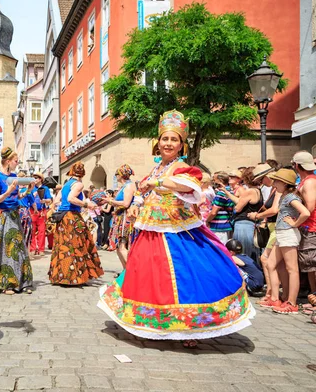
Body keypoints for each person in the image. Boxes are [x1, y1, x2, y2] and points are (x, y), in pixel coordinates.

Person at [98, 110, 254, 347]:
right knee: (149, 274)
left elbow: (188, 186)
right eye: (165, 139)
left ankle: (189, 329)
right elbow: (142, 191)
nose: (168, 143)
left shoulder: (181, 167)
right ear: (157, 142)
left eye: (174, 140)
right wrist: (136, 204)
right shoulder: (158, 167)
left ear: (182, 145)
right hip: (151, 229)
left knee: (183, 276)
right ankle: (150, 319)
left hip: (177, 230)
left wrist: (158, 183)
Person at [0, 147, 33, 295]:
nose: (17, 163)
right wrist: (9, 190)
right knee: (5, 249)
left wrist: (28, 190)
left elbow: (19, 198)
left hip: (15, 215)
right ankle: (5, 284)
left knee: (18, 248)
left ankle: (21, 282)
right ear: (8, 161)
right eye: (16, 161)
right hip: (3, 217)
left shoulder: (14, 176)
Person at [48, 162, 104, 285]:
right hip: (72, 217)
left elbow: (57, 201)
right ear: (82, 173)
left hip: (62, 218)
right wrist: (86, 204)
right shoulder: (78, 184)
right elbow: (70, 199)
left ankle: (60, 276)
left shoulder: (66, 184)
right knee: (77, 244)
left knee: (63, 245)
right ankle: (74, 277)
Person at [266, 168, 310, 314]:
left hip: (288, 233)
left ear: (284, 183)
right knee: (271, 264)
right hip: (282, 233)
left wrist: (295, 224)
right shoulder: (286, 195)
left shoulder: (291, 197)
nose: (274, 183)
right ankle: (278, 298)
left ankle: (292, 302)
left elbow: (305, 212)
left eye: (277, 181)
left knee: (292, 269)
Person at [246, 164, 281, 306]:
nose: (261, 183)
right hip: (273, 226)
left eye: (261, 180)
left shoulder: (278, 188)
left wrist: (258, 215)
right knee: (270, 261)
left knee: (266, 259)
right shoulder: (273, 189)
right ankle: (272, 293)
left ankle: (273, 294)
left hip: (278, 227)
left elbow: (274, 209)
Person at [222, 167, 263, 263]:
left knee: (243, 253)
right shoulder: (257, 190)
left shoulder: (249, 191)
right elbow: (242, 202)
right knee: (252, 253)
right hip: (251, 224)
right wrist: (228, 194)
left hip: (243, 224)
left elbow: (238, 207)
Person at [293, 151, 316, 307]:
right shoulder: (306, 180)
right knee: (309, 265)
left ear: (297, 165)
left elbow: (310, 206)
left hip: (311, 226)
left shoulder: (309, 182)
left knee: (312, 264)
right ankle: (313, 298)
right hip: (307, 226)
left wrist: (296, 221)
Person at [106, 164, 137, 269]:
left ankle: (132, 271)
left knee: (123, 245)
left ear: (121, 175)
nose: (116, 176)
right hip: (120, 216)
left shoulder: (129, 186)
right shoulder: (124, 186)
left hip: (125, 218)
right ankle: (126, 271)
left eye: (116, 174)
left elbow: (126, 203)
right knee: (119, 247)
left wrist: (110, 201)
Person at [206, 172, 235, 244]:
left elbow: (213, 212)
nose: (213, 181)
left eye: (215, 179)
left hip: (219, 227)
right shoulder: (230, 191)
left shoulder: (221, 193)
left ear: (221, 180)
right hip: (225, 225)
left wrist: (207, 221)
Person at [30, 172, 52, 256]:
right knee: (32, 230)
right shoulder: (31, 188)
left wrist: (44, 200)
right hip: (32, 210)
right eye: (33, 178)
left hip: (42, 210)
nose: (34, 179)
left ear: (40, 179)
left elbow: (49, 200)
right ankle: (32, 249)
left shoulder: (45, 188)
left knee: (41, 231)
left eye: (36, 178)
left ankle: (41, 249)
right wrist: (33, 195)